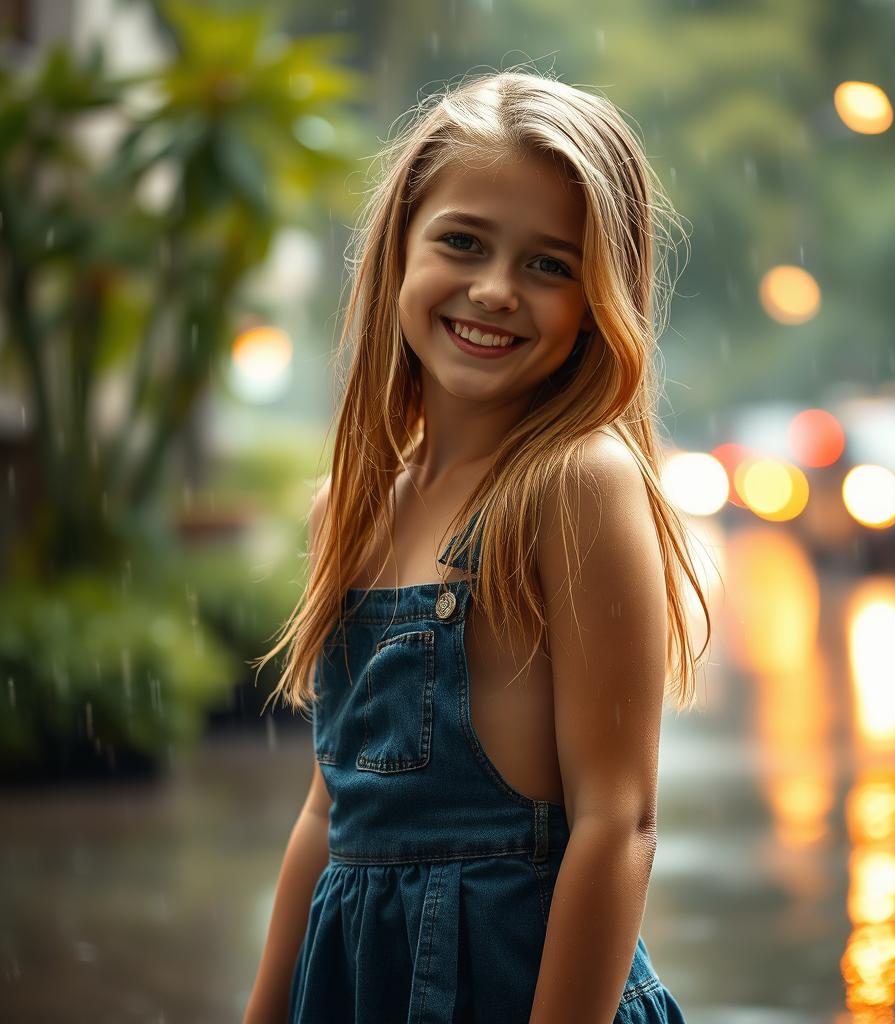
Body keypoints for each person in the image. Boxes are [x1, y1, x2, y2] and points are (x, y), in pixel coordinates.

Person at [243, 67, 710, 1024]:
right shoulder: (352, 506)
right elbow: (328, 814)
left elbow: (616, 825)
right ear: (399, 253)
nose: (496, 290)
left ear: (598, 299)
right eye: (463, 242)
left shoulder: (575, 483)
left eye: (551, 264)